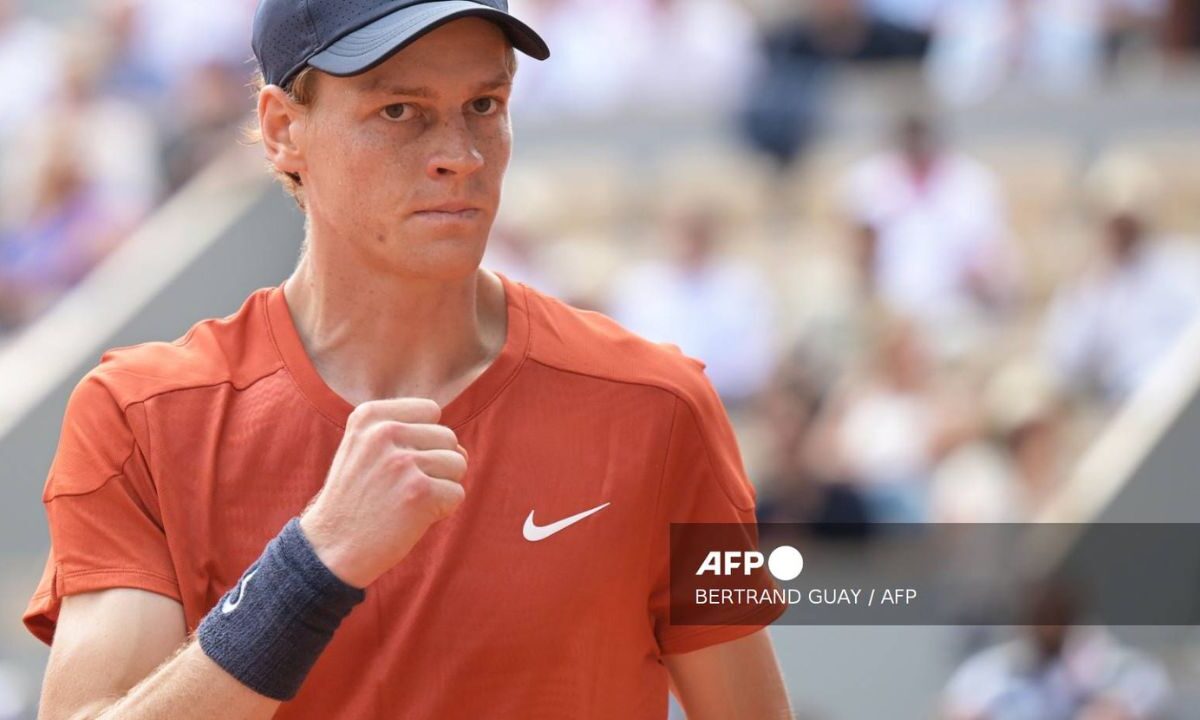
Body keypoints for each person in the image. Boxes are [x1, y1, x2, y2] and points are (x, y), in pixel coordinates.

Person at [22, 2, 791, 719]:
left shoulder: (660, 404)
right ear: (283, 129)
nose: (459, 156)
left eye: (484, 106)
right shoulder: (140, 414)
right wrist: (309, 567)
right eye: (400, 112)